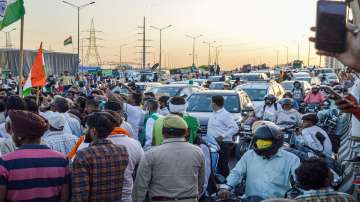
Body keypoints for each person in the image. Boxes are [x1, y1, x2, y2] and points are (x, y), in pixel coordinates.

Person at [218, 122, 300, 200]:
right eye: (259, 142)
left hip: (277, 200)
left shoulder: (292, 159)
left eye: (265, 143)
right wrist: (226, 187)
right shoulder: (249, 155)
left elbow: (299, 181)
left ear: (276, 143)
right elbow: (237, 173)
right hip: (250, 199)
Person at [0, 110, 69, 201]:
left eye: (13, 131)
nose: (12, 135)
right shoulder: (62, 160)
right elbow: (64, 198)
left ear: (20, 136)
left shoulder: (5, 162)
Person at [133, 115, 205, 201]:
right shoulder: (198, 152)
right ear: (186, 133)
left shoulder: (151, 154)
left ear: (163, 132)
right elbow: (201, 183)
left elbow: (140, 187)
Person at [71, 112, 129, 201]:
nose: (84, 131)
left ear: (93, 131)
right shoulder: (122, 150)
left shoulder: (84, 155)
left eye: (86, 128)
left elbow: (80, 193)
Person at [106, 110, 144, 202]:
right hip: (126, 195)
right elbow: (142, 169)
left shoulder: (92, 143)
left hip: (100, 196)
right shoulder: (134, 144)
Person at [207, 95, 239, 177]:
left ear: (214, 104)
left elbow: (235, 128)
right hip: (213, 144)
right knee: (214, 165)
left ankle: (226, 184)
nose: (210, 104)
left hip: (223, 144)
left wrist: (222, 136)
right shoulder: (214, 114)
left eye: (211, 102)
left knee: (222, 165)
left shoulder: (225, 115)